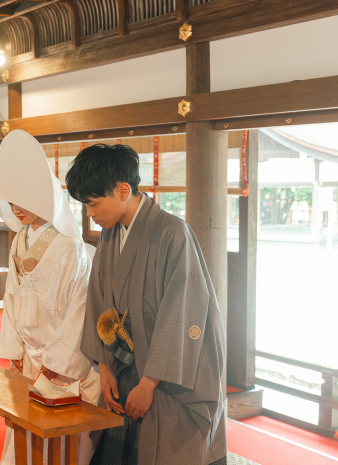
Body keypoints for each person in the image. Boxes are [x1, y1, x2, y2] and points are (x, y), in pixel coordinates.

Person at [65, 143, 227, 465]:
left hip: (164, 383)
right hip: (123, 371)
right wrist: (104, 367)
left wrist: (149, 384)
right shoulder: (111, 235)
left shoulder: (173, 234)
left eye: (93, 203)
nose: (89, 213)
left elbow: (182, 312)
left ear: (123, 190)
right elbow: (98, 300)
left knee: (163, 451)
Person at [0, 130, 102, 465]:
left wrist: (56, 364)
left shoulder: (69, 246)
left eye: (21, 199)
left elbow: (79, 309)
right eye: (9, 201)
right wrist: (14, 349)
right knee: (23, 437)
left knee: (61, 444)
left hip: (63, 362)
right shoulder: (19, 239)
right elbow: (10, 297)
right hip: (31, 358)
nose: (15, 209)